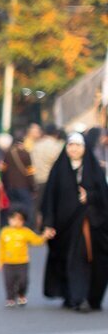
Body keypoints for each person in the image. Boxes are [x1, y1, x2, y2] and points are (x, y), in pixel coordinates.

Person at [41, 133, 108, 312]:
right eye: (71, 145)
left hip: (89, 225)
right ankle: (72, 295)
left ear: (85, 148)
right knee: (66, 259)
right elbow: (50, 198)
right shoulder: (58, 170)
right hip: (63, 226)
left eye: (78, 145)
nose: (74, 149)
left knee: (82, 259)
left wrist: (89, 196)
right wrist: (48, 223)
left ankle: (83, 297)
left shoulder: (94, 169)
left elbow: (103, 195)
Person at [0, 208, 46, 307]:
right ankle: (10, 298)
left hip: (22, 263)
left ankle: (21, 294)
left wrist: (45, 236)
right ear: (9, 219)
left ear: (23, 221)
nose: (16, 222)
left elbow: (36, 241)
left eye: (19, 219)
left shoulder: (25, 232)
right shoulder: (5, 232)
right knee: (9, 282)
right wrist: (0, 261)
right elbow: (1, 248)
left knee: (23, 281)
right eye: (13, 219)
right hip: (8, 263)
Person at [30, 124, 64, 228]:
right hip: (52, 180)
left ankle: (36, 227)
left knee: (38, 206)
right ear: (56, 133)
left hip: (38, 179)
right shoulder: (57, 146)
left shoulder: (36, 145)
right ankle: (49, 226)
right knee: (51, 205)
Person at [2, 125, 36, 223]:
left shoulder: (8, 153)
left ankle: (13, 225)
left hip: (11, 186)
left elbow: (4, 170)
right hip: (24, 186)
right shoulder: (26, 154)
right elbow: (30, 172)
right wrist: (33, 187)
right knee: (27, 207)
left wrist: (5, 184)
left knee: (13, 208)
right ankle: (27, 226)